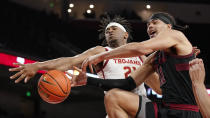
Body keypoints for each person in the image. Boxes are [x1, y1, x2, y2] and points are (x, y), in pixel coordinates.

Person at [9, 16, 160, 118]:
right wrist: (37, 66)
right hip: (118, 109)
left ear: (126, 35)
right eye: (107, 31)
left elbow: (158, 87)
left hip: (140, 108)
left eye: (114, 28)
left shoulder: (140, 55)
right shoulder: (101, 52)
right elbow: (70, 61)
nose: (109, 31)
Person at [80, 12, 202, 118]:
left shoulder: (176, 35)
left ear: (169, 27)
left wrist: (102, 56)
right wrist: (88, 80)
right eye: (148, 24)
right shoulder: (154, 58)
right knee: (113, 96)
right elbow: (127, 83)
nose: (150, 26)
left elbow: (141, 47)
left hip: (186, 112)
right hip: (165, 111)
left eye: (155, 22)